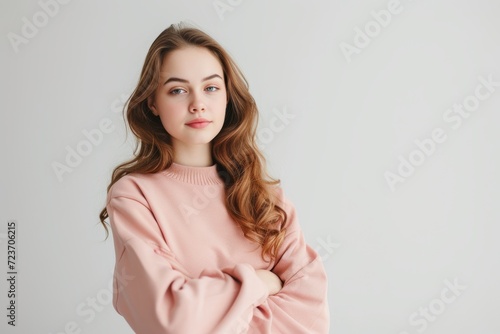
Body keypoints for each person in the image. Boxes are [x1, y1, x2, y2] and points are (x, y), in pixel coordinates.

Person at [99, 22, 329, 333]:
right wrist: (261, 281)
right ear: (153, 102)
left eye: (211, 87)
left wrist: (211, 304)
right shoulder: (134, 196)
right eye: (178, 90)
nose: (197, 104)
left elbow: (311, 319)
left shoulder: (266, 197)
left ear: (226, 97)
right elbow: (172, 320)